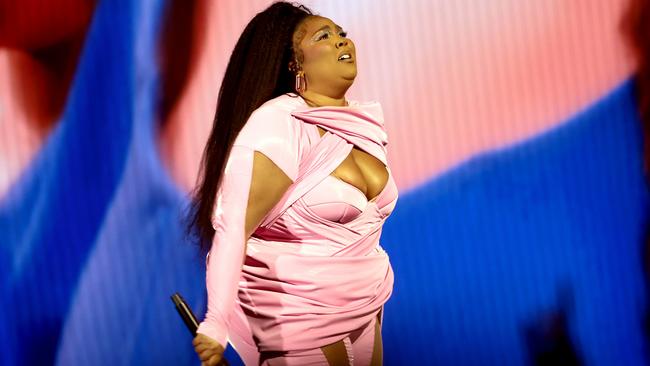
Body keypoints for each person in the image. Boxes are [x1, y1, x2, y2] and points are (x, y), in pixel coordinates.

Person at [187, 2, 399, 365]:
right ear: (295, 63)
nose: (341, 43)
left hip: (368, 311)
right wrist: (215, 322)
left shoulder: (362, 127)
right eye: (324, 36)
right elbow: (234, 227)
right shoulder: (277, 127)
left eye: (342, 35)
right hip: (300, 328)